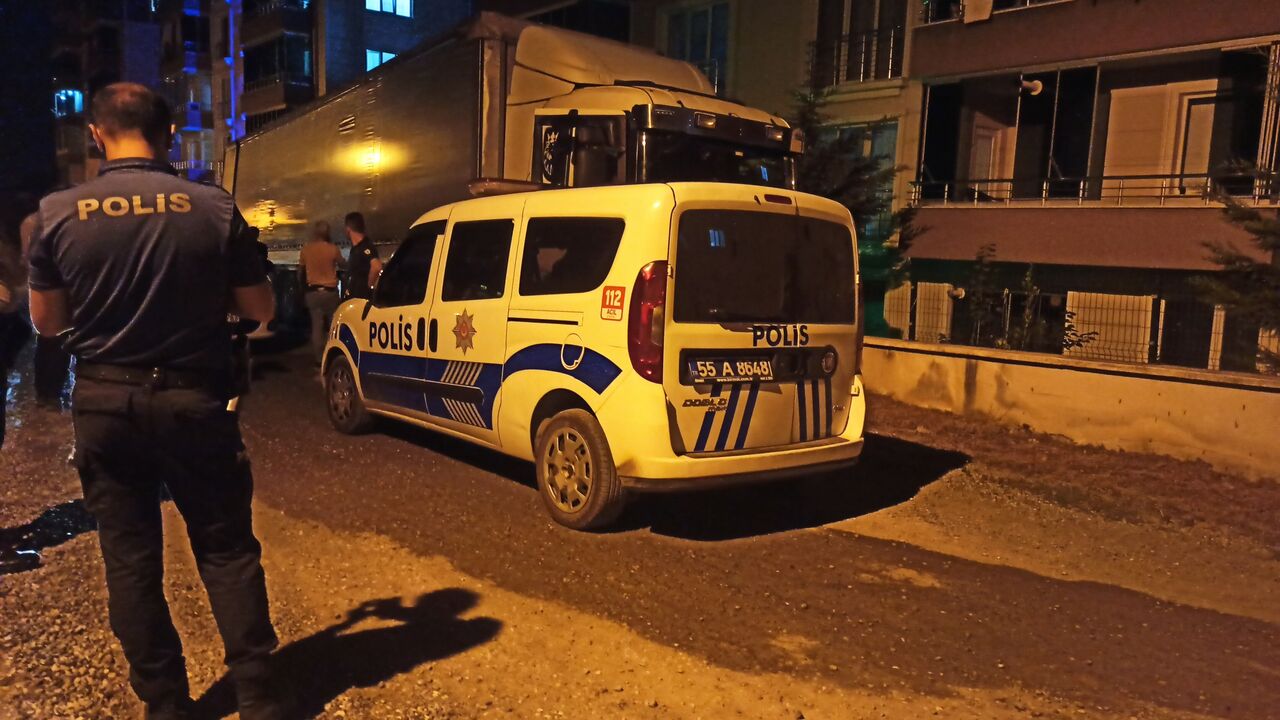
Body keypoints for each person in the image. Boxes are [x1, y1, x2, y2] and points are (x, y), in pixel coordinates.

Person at [25, 82, 288, 720]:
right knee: (226, 547)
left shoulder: (55, 213)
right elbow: (260, 310)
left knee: (130, 556)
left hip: (105, 402)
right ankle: (258, 696)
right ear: (169, 133)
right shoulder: (213, 206)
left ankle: (165, 703)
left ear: (96, 134)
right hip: (194, 399)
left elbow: (48, 324)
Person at [298, 220, 343, 365]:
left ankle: (319, 359)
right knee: (333, 325)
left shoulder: (306, 250)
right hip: (330, 292)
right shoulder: (333, 249)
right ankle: (333, 354)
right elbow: (343, 264)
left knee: (316, 326)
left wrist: (302, 289)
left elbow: (300, 272)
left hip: (312, 292)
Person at [342, 211, 382, 301]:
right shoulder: (356, 249)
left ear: (348, 229)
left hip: (361, 297)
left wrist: (368, 287)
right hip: (355, 296)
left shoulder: (365, 246)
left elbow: (376, 266)